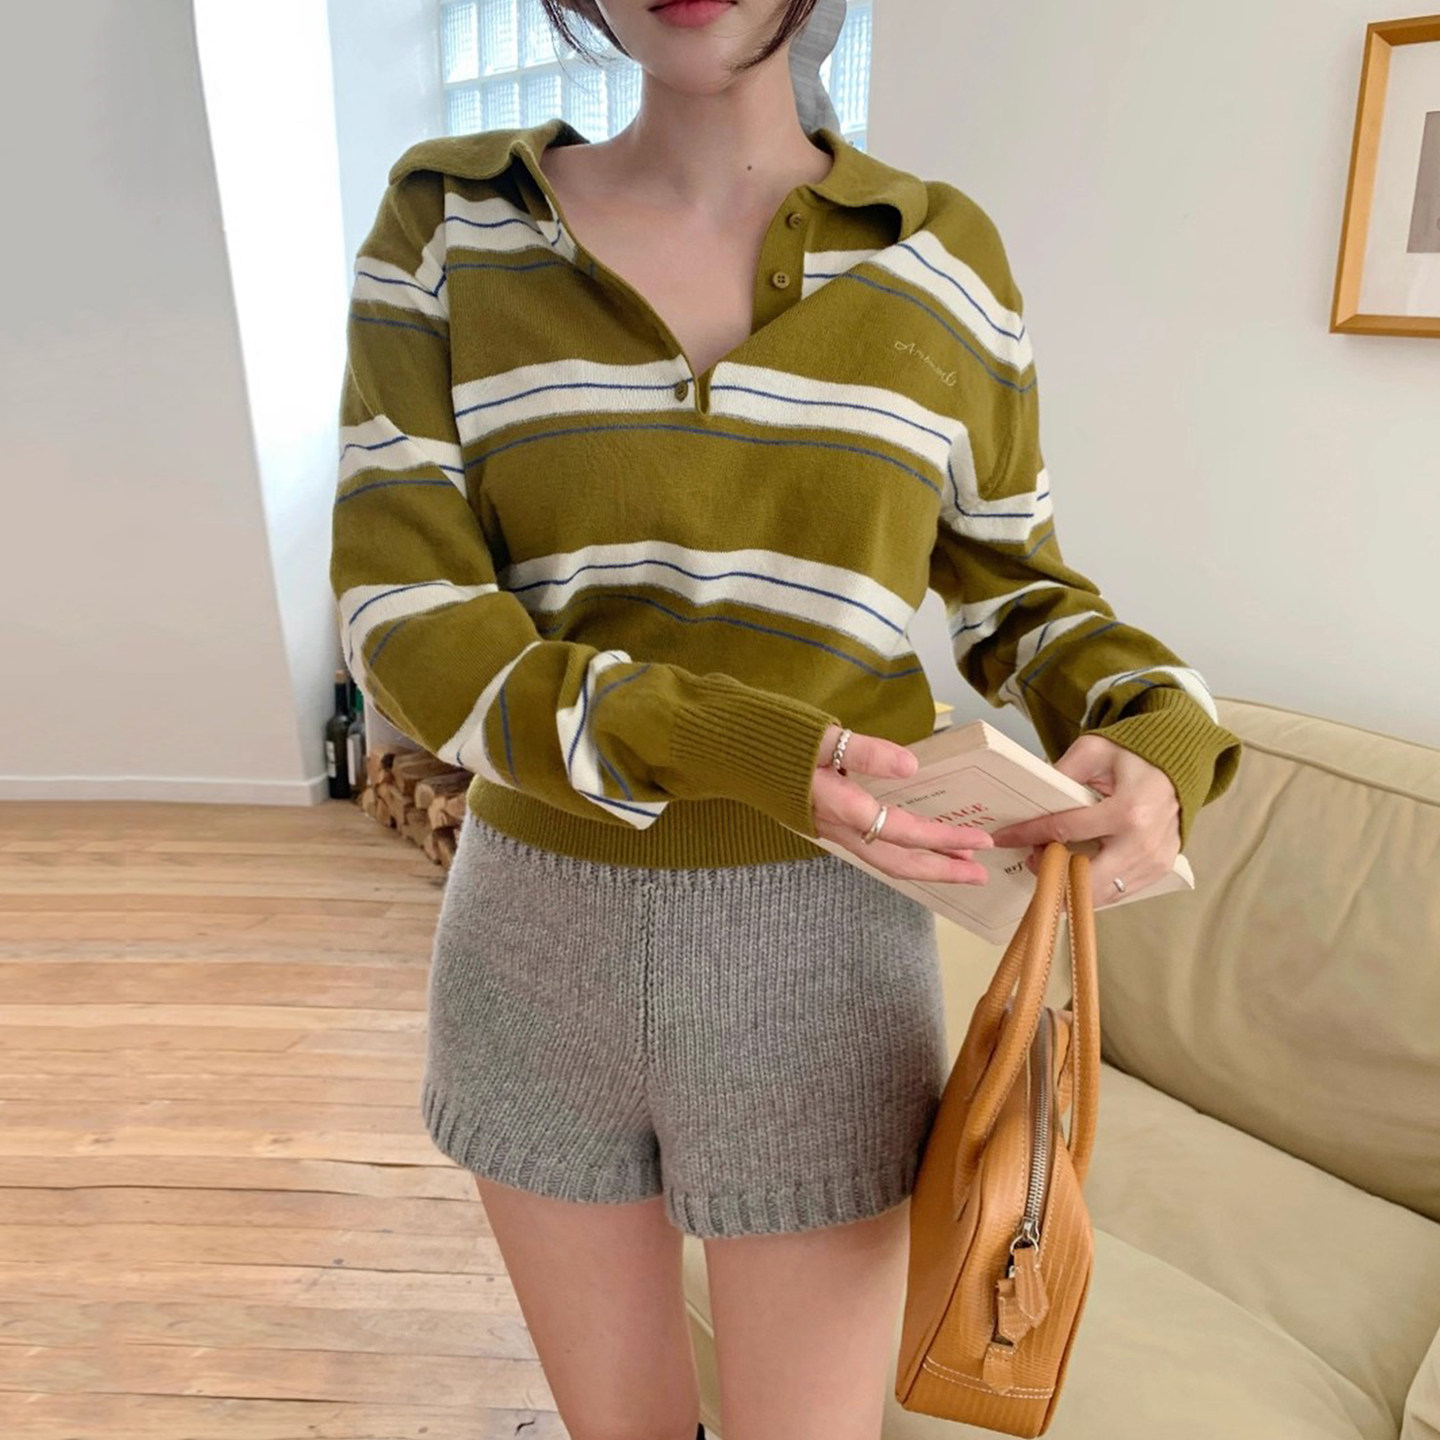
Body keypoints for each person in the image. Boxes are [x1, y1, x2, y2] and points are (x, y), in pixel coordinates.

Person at [329, 1, 1244, 1435]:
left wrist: (1157, 730)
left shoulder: (942, 259)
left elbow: (1020, 593)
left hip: (823, 969)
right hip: (531, 951)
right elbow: (406, 617)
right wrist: (735, 746)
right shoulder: (449, 223)